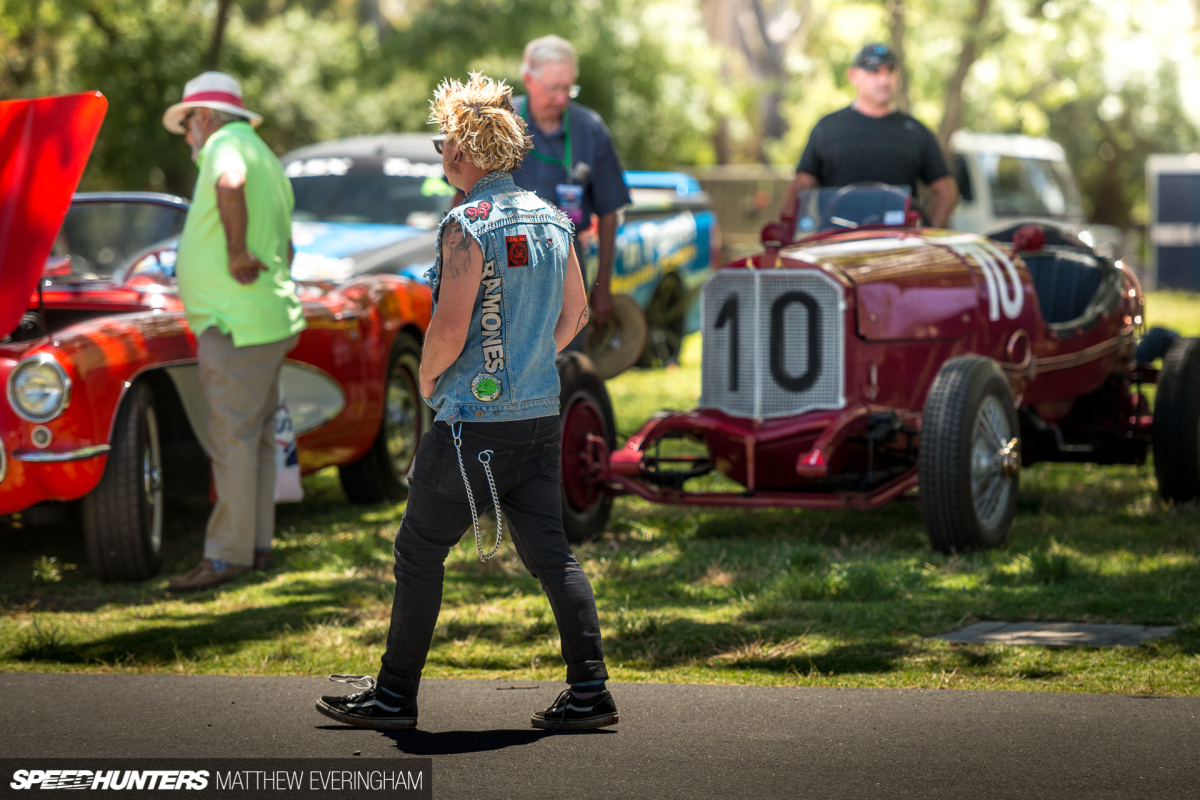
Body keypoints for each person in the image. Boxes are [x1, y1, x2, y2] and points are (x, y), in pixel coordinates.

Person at [315, 73, 617, 731]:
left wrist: (426, 384)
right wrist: (534, 358)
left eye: (444, 143)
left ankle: (394, 694)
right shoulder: (552, 218)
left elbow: (449, 330)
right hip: (538, 415)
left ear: (466, 148)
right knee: (552, 554)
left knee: (420, 551)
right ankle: (590, 690)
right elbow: (579, 311)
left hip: (470, 425)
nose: (441, 156)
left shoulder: (466, 223)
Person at [162, 72, 305, 592]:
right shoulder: (265, 154)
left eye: (187, 124)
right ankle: (256, 547)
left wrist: (235, 252)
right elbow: (288, 248)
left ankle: (226, 557)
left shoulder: (225, 145)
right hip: (264, 318)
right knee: (259, 438)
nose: (187, 137)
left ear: (204, 117)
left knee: (233, 439)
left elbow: (228, 184)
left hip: (235, 322)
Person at [511, 34, 631, 330]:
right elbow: (463, 196)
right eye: (553, 89)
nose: (562, 98)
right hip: (506, 262)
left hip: (567, 264)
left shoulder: (589, 128)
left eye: (568, 89)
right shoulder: (499, 122)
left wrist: (602, 284)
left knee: (566, 362)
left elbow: (609, 210)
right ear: (528, 80)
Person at [782, 43, 959, 229]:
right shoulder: (827, 128)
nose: (883, 80)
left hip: (896, 246)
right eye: (873, 72)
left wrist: (926, 238)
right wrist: (787, 237)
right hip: (834, 245)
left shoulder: (916, 131)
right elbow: (801, 185)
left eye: (889, 72)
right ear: (853, 76)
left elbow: (946, 190)